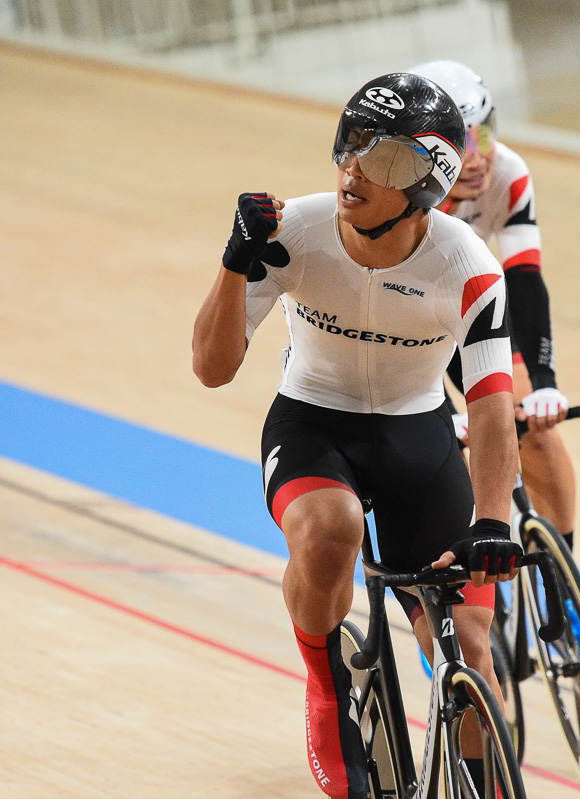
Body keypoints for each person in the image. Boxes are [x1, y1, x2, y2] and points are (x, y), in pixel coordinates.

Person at [192, 72, 523, 799]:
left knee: (470, 647)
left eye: (386, 158)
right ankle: (324, 683)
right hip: (315, 424)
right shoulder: (294, 232)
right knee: (331, 528)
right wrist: (231, 262)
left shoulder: (467, 267)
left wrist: (493, 519)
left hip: (419, 440)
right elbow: (212, 369)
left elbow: (494, 406)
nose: (354, 168)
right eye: (352, 142)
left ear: (429, 182)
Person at [410, 60, 579, 549]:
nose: (478, 157)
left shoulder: (508, 173)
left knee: (535, 431)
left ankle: (560, 580)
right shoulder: (400, 198)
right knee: (438, 454)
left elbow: (524, 279)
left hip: (471, 310)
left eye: (484, 134)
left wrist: (545, 384)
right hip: (408, 325)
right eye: (460, 143)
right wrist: (441, 412)